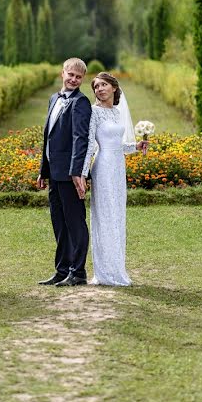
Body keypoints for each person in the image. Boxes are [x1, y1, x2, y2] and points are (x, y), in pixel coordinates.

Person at [81, 72, 147, 286]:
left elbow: (118, 145)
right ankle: (104, 272)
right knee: (105, 215)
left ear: (114, 88)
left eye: (103, 85)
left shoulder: (117, 113)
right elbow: (91, 145)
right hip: (103, 167)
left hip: (118, 167)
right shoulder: (94, 113)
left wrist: (135, 147)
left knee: (117, 216)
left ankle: (117, 267)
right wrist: (83, 174)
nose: (99, 89)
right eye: (96, 87)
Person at [36, 58, 92, 287]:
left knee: (75, 223)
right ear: (63, 73)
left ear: (82, 80)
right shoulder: (53, 99)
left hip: (70, 175)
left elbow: (81, 140)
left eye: (78, 77)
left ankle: (78, 273)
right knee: (59, 223)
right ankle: (61, 271)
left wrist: (77, 172)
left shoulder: (81, 103)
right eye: (70, 75)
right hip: (54, 172)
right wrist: (43, 170)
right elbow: (48, 137)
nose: (73, 80)